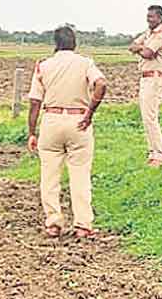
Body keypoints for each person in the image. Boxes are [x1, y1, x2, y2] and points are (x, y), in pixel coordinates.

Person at [27, 26, 107, 238]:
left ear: (55, 43)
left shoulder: (43, 66)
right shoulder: (85, 63)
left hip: (51, 121)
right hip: (78, 120)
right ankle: (83, 224)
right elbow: (101, 84)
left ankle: (53, 222)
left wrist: (32, 132)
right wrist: (90, 113)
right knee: (80, 174)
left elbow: (35, 102)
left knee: (49, 176)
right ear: (74, 43)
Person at [129, 5, 162, 167]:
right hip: (146, 77)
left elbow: (148, 53)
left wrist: (141, 48)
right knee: (146, 117)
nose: (148, 19)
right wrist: (142, 48)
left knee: (150, 117)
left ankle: (159, 154)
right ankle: (153, 151)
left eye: (151, 17)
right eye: (148, 16)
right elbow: (132, 45)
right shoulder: (148, 33)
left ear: (160, 18)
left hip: (155, 78)